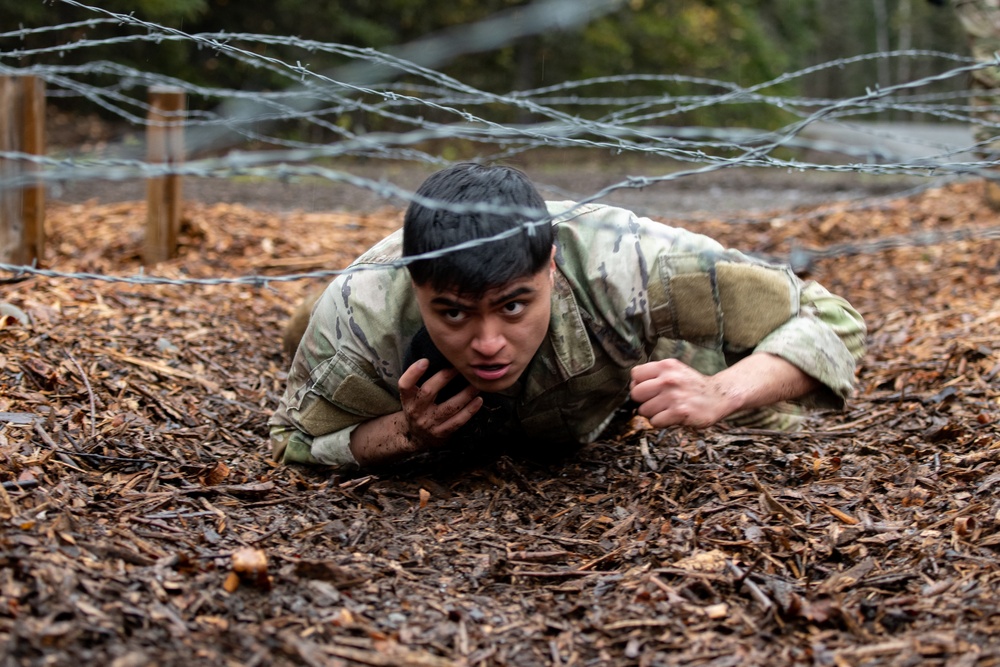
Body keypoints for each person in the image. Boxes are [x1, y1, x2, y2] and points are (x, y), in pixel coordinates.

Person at [269, 163, 867, 469]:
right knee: (307, 331)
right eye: (452, 313)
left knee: (767, 408)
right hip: (357, 329)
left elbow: (831, 318)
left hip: (625, 382)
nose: (488, 343)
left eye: (513, 306)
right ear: (414, 284)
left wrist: (721, 392)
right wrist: (405, 433)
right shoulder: (358, 316)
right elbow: (293, 443)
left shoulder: (625, 263)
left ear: (551, 267)